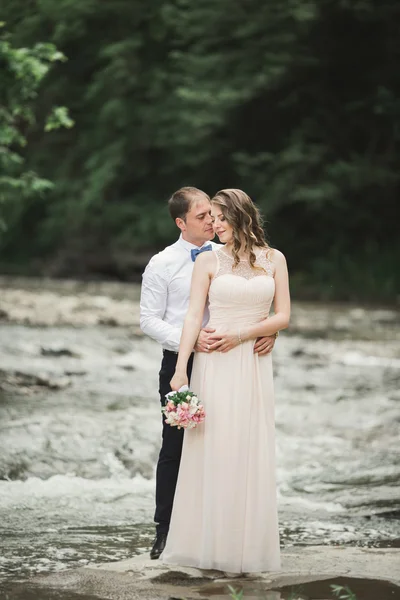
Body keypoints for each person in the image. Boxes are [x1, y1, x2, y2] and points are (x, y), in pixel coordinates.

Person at [140, 187, 278, 560]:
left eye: (212, 215)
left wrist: (269, 329)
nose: (210, 221)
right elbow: (148, 320)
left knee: (231, 444)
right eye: (201, 217)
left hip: (234, 357)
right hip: (181, 359)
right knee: (176, 448)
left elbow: (258, 297)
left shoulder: (231, 250)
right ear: (181, 222)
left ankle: (230, 531)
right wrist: (192, 343)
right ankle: (167, 531)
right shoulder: (162, 263)